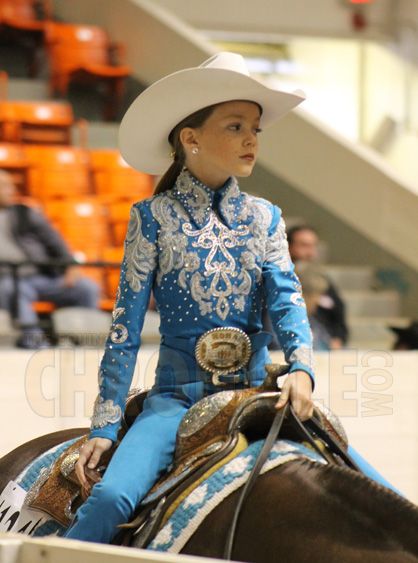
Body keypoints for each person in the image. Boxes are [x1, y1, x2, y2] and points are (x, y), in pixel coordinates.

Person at [65, 52, 400, 545]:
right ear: (191, 138)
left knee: (380, 492)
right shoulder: (152, 218)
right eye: (236, 126)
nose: (251, 140)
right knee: (114, 496)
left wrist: (302, 369)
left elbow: (287, 301)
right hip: (176, 400)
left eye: (256, 130)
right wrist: (106, 421)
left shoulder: (265, 216)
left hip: (255, 391)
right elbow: (124, 326)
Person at [0, 170, 100, 348]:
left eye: (11, 185)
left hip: (44, 275)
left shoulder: (24, 213)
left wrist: (71, 265)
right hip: (11, 278)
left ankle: (85, 344)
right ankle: (37, 345)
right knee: (13, 289)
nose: (11, 190)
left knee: (87, 288)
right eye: (5, 186)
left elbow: (54, 239)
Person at [287, 224, 349, 348]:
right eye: (304, 246)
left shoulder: (321, 278)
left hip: (322, 340)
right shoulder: (278, 278)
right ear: (289, 247)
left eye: (313, 246)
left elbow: (338, 312)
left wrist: (338, 338)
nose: (310, 253)